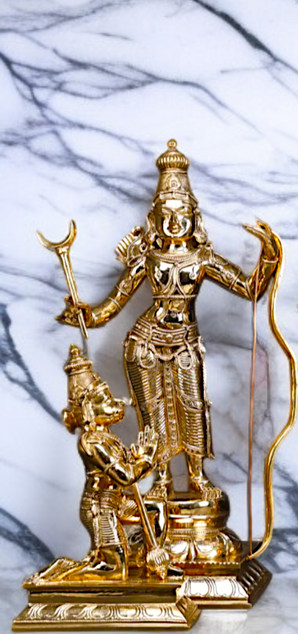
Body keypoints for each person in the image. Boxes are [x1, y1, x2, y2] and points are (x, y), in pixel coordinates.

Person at [59, 140, 277, 503]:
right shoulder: (147, 258)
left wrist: (268, 255)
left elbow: (250, 289)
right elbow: (113, 303)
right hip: (145, 341)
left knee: (193, 405)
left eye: (182, 214)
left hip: (185, 341)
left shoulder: (202, 257)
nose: (175, 222)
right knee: (154, 411)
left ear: (194, 217)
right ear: (155, 219)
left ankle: (196, 475)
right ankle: (160, 479)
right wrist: (86, 315)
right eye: (167, 215)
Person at [56, 345, 158, 580]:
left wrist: (138, 456)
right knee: (115, 570)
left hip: (116, 501)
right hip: (100, 507)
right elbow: (125, 476)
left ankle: (152, 558)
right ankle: (64, 573)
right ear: (89, 409)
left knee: (157, 507)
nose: (116, 404)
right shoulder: (92, 442)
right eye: (106, 400)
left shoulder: (107, 437)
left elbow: (127, 468)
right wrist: (146, 458)